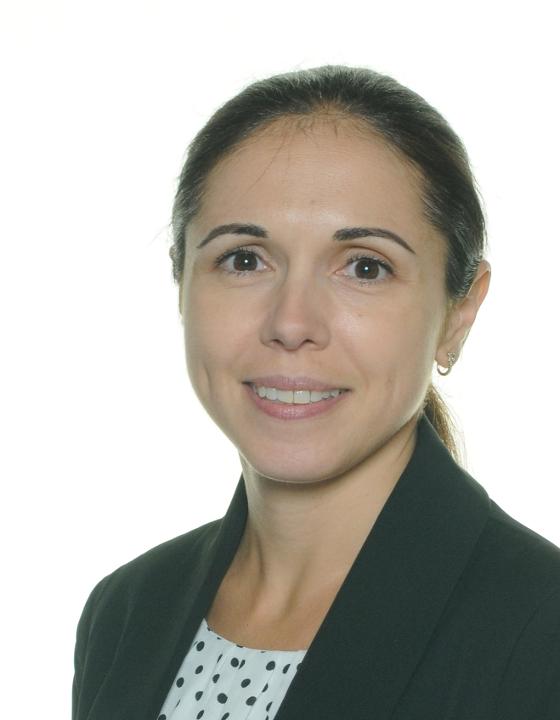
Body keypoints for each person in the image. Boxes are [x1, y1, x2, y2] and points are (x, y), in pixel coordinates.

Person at [72, 65, 560, 720]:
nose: (292, 322)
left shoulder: (541, 633)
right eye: (245, 259)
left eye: (366, 267)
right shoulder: (125, 612)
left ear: (458, 314)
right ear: (182, 284)